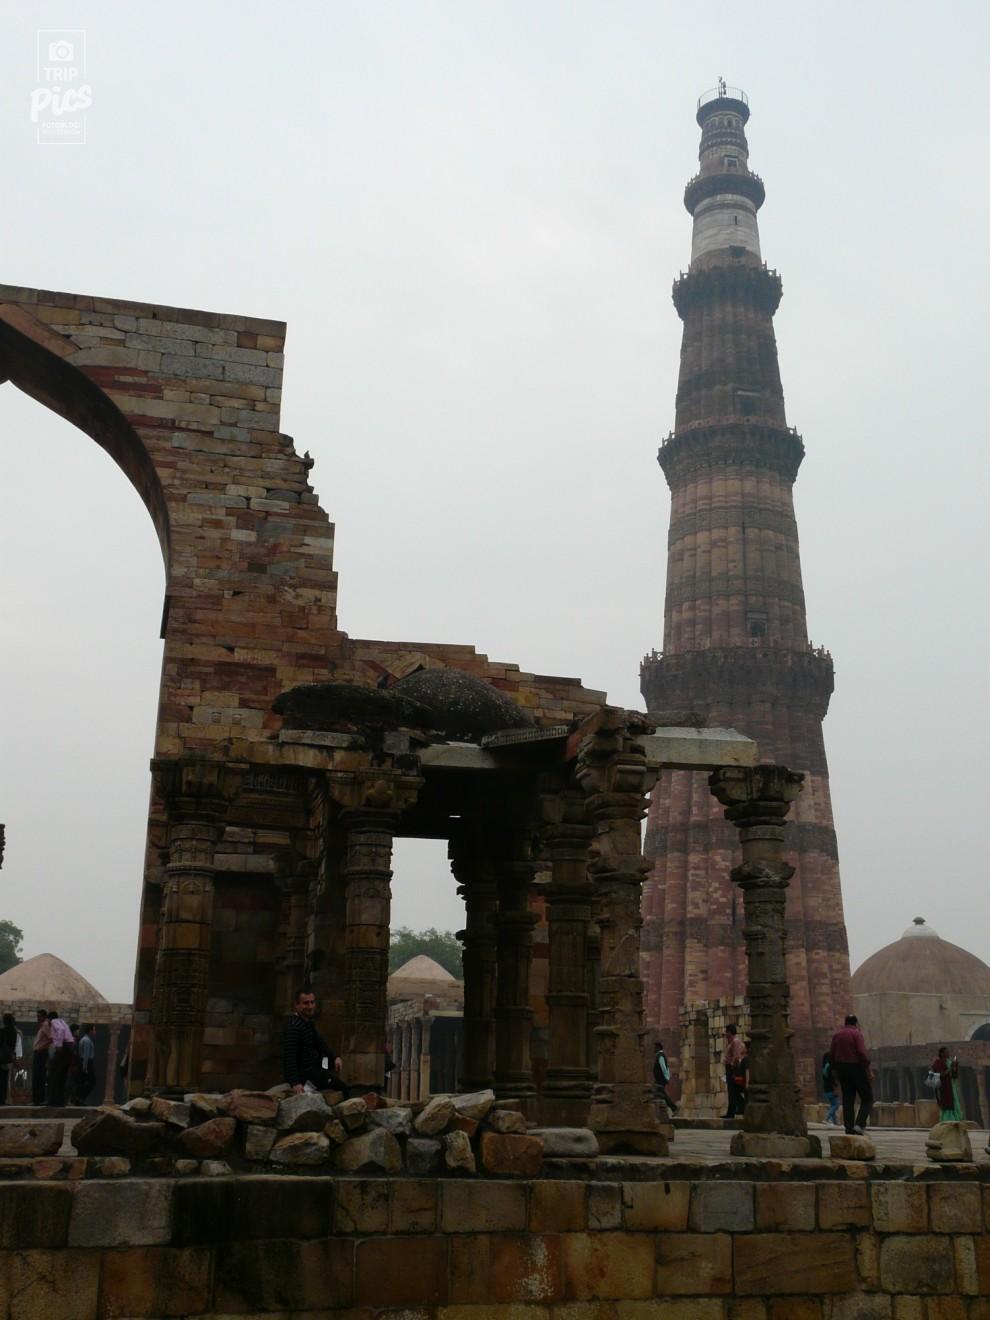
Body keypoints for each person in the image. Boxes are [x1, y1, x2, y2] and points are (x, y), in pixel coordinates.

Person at [283, 987, 345, 1094]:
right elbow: (290, 1056)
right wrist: (295, 1082)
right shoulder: (294, 1027)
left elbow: (320, 1043)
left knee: (341, 1086)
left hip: (315, 1072)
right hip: (305, 1078)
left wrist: (335, 1057)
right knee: (343, 1089)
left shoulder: (308, 1023)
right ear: (296, 1005)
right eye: (306, 1003)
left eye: (312, 1002)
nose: (310, 1006)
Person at [829, 1013, 874, 1135]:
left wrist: (834, 1071)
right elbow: (862, 1053)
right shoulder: (856, 1034)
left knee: (848, 1098)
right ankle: (859, 1124)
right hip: (855, 1067)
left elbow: (831, 1054)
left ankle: (849, 1128)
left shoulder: (837, 1035)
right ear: (855, 1023)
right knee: (867, 1097)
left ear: (845, 1022)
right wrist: (868, 1070)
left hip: (841, 1069)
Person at [46, 1011, 76, 1107]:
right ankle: (60, 1101)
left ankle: (54, 1100)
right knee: (62, 1076)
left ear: (49, 1019)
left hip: (63, 1048)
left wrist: (59, 1045)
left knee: (55, 1075)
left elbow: (61, 1030)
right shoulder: (62, 1021)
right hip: (68, 1049)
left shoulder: (54, 1021)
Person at [931, 1046, 962, 1121]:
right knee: (946, 1103)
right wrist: (950, 1068)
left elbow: (954, 1076)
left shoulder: (949, 1062)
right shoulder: (938, 1062)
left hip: (951, 1086)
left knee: (954, 1101)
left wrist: (955, 1067)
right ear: (942, 1054)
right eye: (946, 1052)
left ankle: (955, 1118)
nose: (948, 1053)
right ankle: (947, 1119)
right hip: (943, 1087)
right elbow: (940, 1075)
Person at [722, 1023, 745, 1118]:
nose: (725, 1034)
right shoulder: (732, 1042)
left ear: (730, 1032)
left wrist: (733, 1069)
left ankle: (735, 1110)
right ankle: (736, 1110)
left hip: (732, 1069)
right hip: (730, 1068)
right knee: (733, 1091)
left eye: (726, 1031)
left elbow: (736, 1056)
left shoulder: (735, 1042)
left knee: (733, 1091)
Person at [0, 1014, 22, 1104]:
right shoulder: (15, 1033)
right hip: (9, 1058)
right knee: (6, 1080)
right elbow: (17, 1048)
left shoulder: (1, 1031)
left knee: (2, 1079)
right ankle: (5, 1099)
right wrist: (17, 1059)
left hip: (1, 1058)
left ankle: (2, 1099)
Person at [652, 1040, 678, 1116]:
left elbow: (664, 1068)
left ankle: (673, 1108)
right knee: (660, 1094)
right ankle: (671, 1109)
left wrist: (666, 1078)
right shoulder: (659, 1056)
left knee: (660, 1094)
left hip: (661, 1080)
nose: (653, 1049)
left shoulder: (660, 1056)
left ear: (657, 1048)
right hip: (659, 1080)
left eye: (654, 1047)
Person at [31, 1008, 51, 1106]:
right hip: (39, 1053)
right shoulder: (43, 1026)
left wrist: (41, 1047)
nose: (38, 1018)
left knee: (39, 1076)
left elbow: (51, 1038)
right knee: (37, 1076)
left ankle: (38, 1100)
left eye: (39, 1016)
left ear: (44, 1017)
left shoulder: (46, 1025)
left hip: (41, 1053)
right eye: (37, 1016)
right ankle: (37, 1099)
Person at [75, 1024, 96, 1104]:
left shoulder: (84, 1039)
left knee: (82, 1081)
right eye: (94, 1030)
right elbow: (86, 1054)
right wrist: (85, 1066)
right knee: (92, 1082)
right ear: (90, 1031)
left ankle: (79, 1099)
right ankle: (80, 1098)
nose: (95, 1032)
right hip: (87, 1062)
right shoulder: (86, 1040)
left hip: (83, 1062)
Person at [822, 1049, 840, 1125]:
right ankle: (826, 1119)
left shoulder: (824, 1067)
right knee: (836, 1105)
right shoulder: (829, 1067)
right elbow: (831, 1079)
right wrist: (835, 1088)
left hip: (826, 1088)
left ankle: (835, 1121)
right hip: (830, 1088)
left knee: (833, 1104)